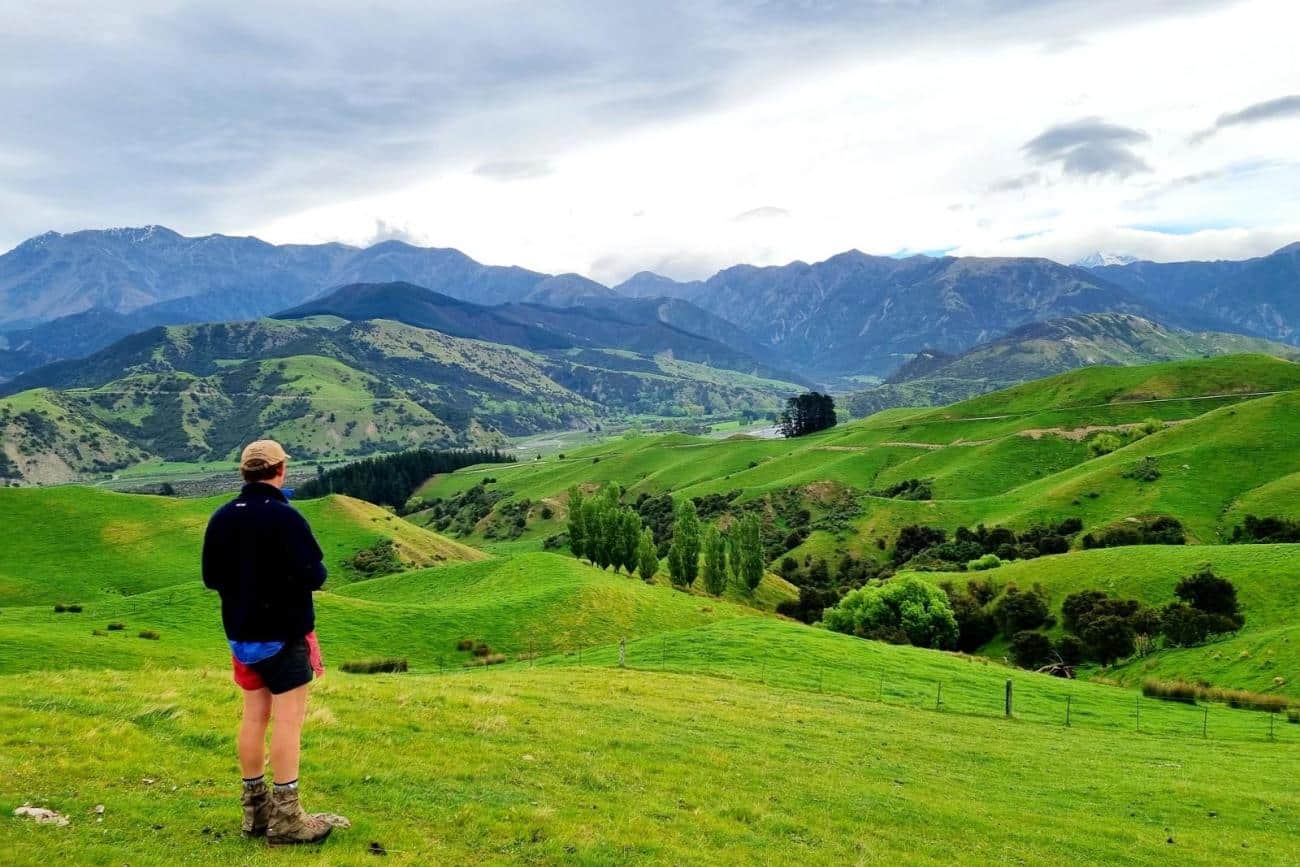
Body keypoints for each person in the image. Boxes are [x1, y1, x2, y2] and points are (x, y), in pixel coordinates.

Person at [202, 439, 335, 846]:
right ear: (280, 470)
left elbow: (211, 578)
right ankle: (288, 818)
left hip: (241, 635)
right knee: (289, 721)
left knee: (254, 717)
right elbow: (315, 575)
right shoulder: (285, 517)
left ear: (245, 472)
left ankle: (254, 813)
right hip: (283, 633)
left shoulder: (222, 516)